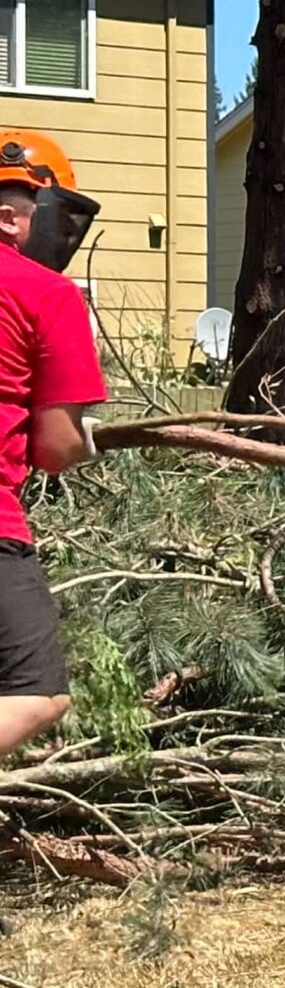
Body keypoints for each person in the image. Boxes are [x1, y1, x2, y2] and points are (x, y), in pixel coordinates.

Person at [0, 133, 107, 759]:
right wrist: (84, 440)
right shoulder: (46, 294)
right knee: (37, 693)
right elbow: (55, 448)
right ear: (10, 215)